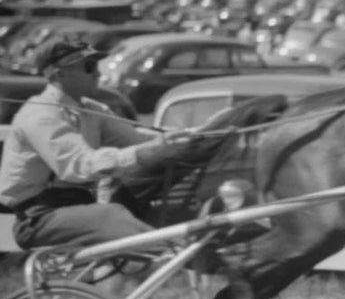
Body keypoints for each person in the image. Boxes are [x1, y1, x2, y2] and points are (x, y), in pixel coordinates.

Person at [0, 38, 199, 250]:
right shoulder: (41, 115)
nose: (98, 73)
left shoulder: (91, 109)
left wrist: (185, 140)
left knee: (147, 205)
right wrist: (143, 153)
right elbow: (79, 166)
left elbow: (136, 140)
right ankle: (179, 252)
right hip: (39, 218)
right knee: (109, 214)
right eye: (89, 67)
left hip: (77, 209)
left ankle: (181, 250)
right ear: (58, 74)